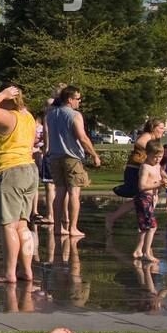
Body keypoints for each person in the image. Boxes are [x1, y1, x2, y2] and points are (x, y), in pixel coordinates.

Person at [0, 85, 39, 285]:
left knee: (8, 225)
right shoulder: (28, 117)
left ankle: (10, 273)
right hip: (28, 170)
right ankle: (27, 271)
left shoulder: (10, 117)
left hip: (9, 171)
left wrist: (2, 94)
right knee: (23, 224)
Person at [44, 85, 102, 238]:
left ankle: (57, 227)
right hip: (72, 157)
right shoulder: (74, 115)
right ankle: (73, 228)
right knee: (74, 192)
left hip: (55, 156)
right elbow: (82, 137)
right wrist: (94, 154)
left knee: (60, 191)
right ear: (69, 100)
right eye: (78, 99)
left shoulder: (51, 114)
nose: (79, 101)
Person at [106, 119, 166, 232]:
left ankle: (143, 221)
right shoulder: (147, 136)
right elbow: (139, 142)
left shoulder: (153, 139)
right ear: (153, 127)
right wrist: (151, 150)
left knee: (147, 198)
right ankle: (143, 222)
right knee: (143, 199)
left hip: (141, 170)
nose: (163, 130)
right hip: (135, 170)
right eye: (161, 128)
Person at [132, 142, 167, 262]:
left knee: (144, 226)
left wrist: (164, 183)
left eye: (160, 156)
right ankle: (146, 253)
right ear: (147, 154)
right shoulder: (145, 167)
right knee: (152, 226)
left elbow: (157, 180)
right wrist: (159, 184)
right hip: (143, 198)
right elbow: (141, 186)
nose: (158, 159)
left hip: (151, 198)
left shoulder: (157, 166)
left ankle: (138, 249)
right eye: (155, 157)